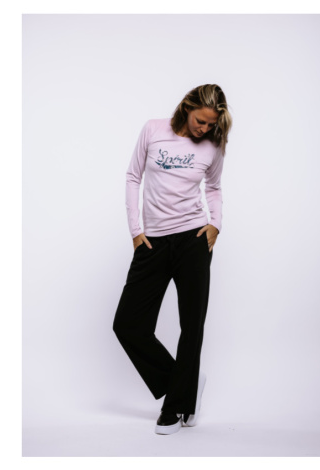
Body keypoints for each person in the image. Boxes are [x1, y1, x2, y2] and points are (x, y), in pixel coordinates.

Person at [113, 84, 232, 435]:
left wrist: (216, 224)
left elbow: (214, 187)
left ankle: (175, 405)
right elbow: (133, 176)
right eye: (200, 121)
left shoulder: (212, 146)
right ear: (186, 107)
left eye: (210, 125)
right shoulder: (153, 130)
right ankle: (186, 386)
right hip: (152, 242)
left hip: (193, 240)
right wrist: (136, 230)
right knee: (128, 325)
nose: (204, 129)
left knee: (191, 326)